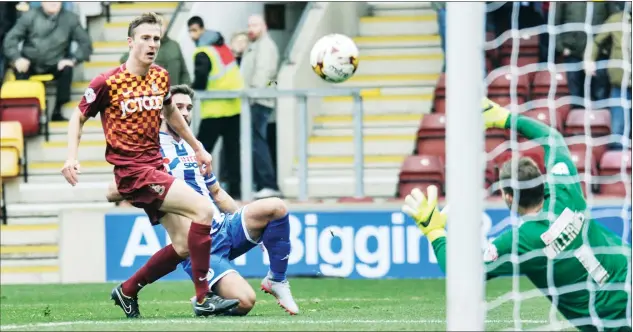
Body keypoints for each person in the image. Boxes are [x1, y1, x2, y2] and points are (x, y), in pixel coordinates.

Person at [60, 12, 238, 318]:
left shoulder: (160, 77)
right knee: (204, 210)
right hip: (133, 172)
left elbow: (170, 115)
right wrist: (71, 157)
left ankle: (127, 290)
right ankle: (202, 297)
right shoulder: (108, 82)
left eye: (156, 38)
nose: (152, 44)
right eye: (145, 38)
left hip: (156, 169)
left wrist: (197, 148)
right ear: (130, 42)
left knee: (183, 244)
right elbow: (78, 116)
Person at [402, 99, 632, 332]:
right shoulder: (565, 191)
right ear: (541, 181)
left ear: (508, 197)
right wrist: (505, 118)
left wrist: (433, 231)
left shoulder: (520, 241)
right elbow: (552, 139)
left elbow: (461, 275)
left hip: (611, 322)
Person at [107, 84, 299, 315]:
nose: (185, 113)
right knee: (245, 302)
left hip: (225, 227)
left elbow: (217, 193)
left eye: (188, 107)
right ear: (163, 112)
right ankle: (202, 301)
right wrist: (155, 180)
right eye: (178, 107)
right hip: (198, 245)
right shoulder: (149, 149)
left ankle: (277, 280)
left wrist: (244, 221)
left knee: (276, 207)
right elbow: (114, 191)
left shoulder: (194, 146)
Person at [3, 1, 92, 121]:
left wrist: (73, 60)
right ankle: (28, 115)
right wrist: (17, 58)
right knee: (19, 69)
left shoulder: (70, 18)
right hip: (30, 63)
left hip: (56, 63)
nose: (53, 2)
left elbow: (86, 43)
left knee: (67, 69)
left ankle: (57, 110)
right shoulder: (29, 16)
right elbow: (10, 40)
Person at [191, 29, 244, 199]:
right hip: (234, 109)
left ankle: (193, 187)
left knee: (199, 151)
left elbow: (200, 80)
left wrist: (190, 89)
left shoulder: (203, 52)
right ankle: (236, 191)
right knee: (232, 152)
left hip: (214, 110)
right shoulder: (225, 50)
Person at [241, 14, 283, 199]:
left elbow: (263, 73)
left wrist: (252, 95)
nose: (251, 28)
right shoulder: (255, 46)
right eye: (249, 25)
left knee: (258, 142)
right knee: (255, 142)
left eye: (255, 25)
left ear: (264, 26)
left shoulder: (265, 46)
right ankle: (262, 183)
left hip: (258, 100)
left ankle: (268, 183)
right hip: (255, 99)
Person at [119, 14, 190, 86]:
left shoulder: (174, 45)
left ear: (166, 26)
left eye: (161, 25)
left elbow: (184, 73)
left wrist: (183, 91)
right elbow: (124, 60)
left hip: (174, 93)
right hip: (152, 94)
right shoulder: (143, 46)